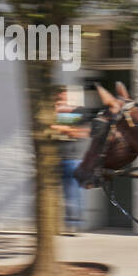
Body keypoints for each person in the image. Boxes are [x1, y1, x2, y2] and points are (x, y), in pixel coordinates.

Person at [53, 99, 94, 234]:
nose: (61, 107)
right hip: (65, 160)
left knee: (72, 194)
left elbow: (59, 126)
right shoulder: (74, 119)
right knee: (70, 194)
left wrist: (59, 124)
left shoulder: (80, 116)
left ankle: (73, 223)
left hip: (73, 161)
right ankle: (71, 222)